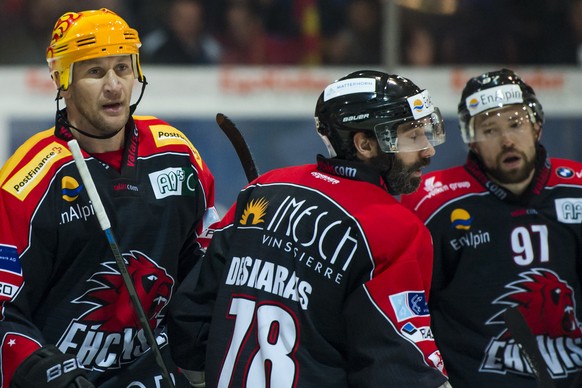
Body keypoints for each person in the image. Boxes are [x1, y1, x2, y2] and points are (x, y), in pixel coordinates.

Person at [168, 70, 451, 387]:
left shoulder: (265, 188)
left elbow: (190, 315)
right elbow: (398, 368)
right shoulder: (395, 228)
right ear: (365, 144)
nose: (428, 151)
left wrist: (200, 378)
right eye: (412, 136)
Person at [0, 8, 218, 388]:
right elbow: (5, 309)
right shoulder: (28, 183)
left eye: (123, 67)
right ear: (62, 80)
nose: (114, 86)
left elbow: (203, 269)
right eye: (95, 72)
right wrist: (38, 371)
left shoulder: (177, 155)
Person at [400, 68, 582, 386]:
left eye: (516, 123)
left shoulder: (576, 188)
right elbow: (404, 308)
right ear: (471, 140)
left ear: (537, 126)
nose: (507, 139)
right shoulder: (431, 203)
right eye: (489, 130)